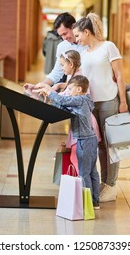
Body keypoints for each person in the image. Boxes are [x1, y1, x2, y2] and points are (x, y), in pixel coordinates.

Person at [72, 12, 128, 202]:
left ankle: (110, 185)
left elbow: (119, 75)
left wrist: (123, 102)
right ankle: (103, 183)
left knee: (110, 145)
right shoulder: (83, 53)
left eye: (78, 35)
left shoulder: (108, 47)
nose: (77, 40)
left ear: (87, 32)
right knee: (97, 145)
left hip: (109, 101)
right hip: (89, 104)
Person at [33, 75, 100, 209]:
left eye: (70, 89)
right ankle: (94, 200)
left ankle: (88, 203)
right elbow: (62, 105)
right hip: (91, 140)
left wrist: (49, 90)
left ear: (79, 89)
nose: (68, 91)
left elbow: (62, 100)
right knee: (92, 172)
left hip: (84, 141)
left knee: (84, 173)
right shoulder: (84, 100)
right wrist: (48, 99)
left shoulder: (79, 99)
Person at [38, 12, 87, 86]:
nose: (64, 38)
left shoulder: (88, 43)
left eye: (65, 34)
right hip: (74, 90)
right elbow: (56, 73)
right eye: (61, 36)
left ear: (73, 26)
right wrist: (38, 86)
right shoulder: (62, 46)